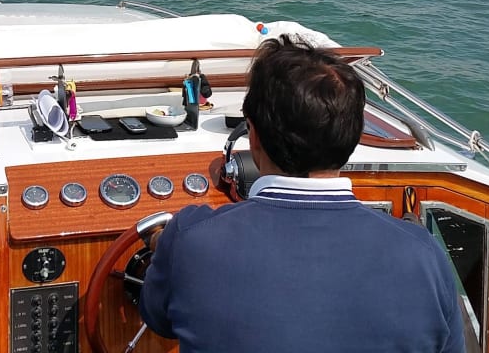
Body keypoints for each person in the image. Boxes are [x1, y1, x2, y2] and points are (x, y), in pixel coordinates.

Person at [138, 35, 466, 353]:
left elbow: (158, 317)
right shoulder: (424, 255)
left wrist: (160, 243)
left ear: (252, 136)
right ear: (354, 139)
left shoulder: (189, 240)